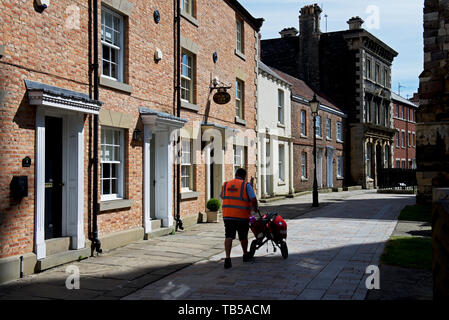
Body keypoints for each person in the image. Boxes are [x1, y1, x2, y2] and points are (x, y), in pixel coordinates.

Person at [220, 168, 258, 269]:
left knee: (228, 236)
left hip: (227, 215)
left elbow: (222, 196)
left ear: (236, 174)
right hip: (242, 216)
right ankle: (245, 254)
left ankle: (227, 258)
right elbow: (253, 199)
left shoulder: (226, 184)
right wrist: (255, 208)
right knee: (243, 237)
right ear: (245, 176)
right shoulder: (246, 185)